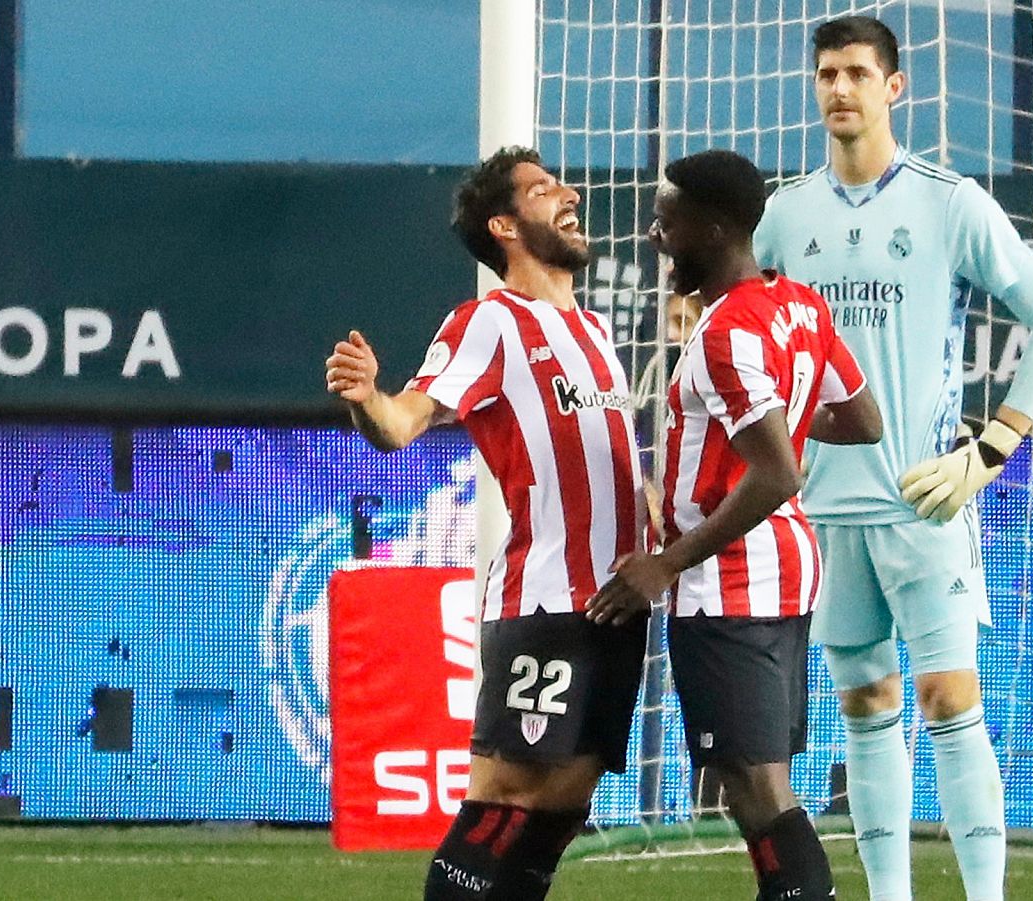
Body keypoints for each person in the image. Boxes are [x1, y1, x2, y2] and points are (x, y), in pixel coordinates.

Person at [753, 16, 1033, 901]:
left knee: (947, 699)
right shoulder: (785, 217)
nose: (840, 89)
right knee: (865, 712)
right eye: (826, 73)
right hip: (822, 511)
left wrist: (992, 448)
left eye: (858, 73)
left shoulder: (950, 203)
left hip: (924, 501)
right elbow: (734, 333)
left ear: (894, 88)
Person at [324, 146, 648, 901]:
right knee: (504, 801)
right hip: (547, 602)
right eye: (541, 190)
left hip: (618, 605)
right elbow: (406, 420)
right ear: (504, 226)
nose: (567, 194)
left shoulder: (596, 333)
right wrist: (368, 397)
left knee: (559, 813)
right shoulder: (489, 322)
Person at [586, 149, 882, 901]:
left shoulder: (725, 333)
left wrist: (665, 563)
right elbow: (862, 417)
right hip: (787, 576)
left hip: (728, 587)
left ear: (713, 229)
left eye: (667, 218)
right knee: (759, 784)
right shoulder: (802, 307)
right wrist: (777, 421)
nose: (655, 233)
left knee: (757, 789)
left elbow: (779, 473)